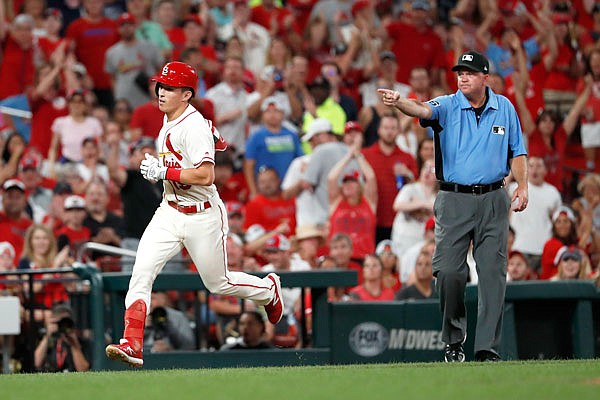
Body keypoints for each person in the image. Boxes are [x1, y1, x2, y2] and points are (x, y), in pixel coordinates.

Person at [105, 61, 283, 367]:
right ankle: (132, 343)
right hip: (169, 210)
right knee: (141, 273)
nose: (161, 92)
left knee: (218, 283)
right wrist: (168, 168)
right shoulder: (174, 120)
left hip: (202, 214)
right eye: (160, 85)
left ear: (186, 94)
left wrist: (164, 170)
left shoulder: (192, 126)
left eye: (170, 88)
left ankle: (268, 289)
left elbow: (205, 176)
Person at [378, 50, 529, 363]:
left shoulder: (504, 108)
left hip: (493, 198)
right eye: (460, 72)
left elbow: (518, 151)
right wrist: (399, 101)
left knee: (492, 275)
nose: (463, 77)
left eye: (470, 73)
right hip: (453, 198)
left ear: (485, 77)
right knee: (448, 272)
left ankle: (487, 348)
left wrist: (523, 185)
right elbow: (420, 109)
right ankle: (453, 340)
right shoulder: (447, 104)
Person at [33, 304, 91, 372]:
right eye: (58, 323)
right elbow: (36, 363)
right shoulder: (46, 341)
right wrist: (47, 336)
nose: (61, 326)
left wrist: (74, 345)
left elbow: (83, 370)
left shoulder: (81, 343)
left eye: (65, 323)